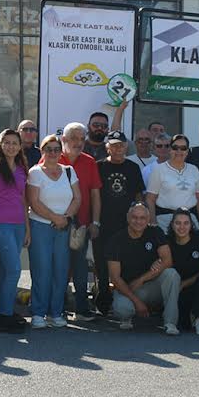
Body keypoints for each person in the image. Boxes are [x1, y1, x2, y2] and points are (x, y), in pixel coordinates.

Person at [0, 128, 32, 333]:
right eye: (7, 142)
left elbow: (23, 199)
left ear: (20, 147)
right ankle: (4, 316)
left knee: (6, 271)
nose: (11, 146)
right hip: (0, 224)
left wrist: (27, 228)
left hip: (18, 225)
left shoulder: (21, 168)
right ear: (0, 145)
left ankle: (6, 311)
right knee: (14, 269)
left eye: (15, 143)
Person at [27, 133, 81, 329]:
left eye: (56, 149)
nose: (52, 153)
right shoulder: (35, 172)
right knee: (42, 270)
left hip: (64, 227)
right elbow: (33, 202)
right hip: (40, 226)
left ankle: (56, 312)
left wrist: (66, 218)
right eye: (48, 149)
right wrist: (55, 218)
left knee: (60, 271)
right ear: (42, 151)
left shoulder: (69, 171)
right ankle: (38, 313)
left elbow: (77, 198)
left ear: (61, 151)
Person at [94, 131, 148, 314]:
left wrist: (139, 219)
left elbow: (139, 195)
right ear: (107, 147)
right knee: (102, 265)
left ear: (126, 147)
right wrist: (95, 222)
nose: (118, 149)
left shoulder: (133, 167)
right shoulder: (99, 166)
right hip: (104, 223)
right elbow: (94, 195)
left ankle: (124, 299)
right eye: (114, 145)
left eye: (121, 145)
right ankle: (103, 300)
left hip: (126, 225)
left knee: (125, 263)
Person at [106, 202, 179, 333]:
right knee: (123, 310)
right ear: (128, 218)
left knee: (171, 274)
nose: (138, 221)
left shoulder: (156, 232)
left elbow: (168, 261)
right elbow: (115, 278)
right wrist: (137, 302)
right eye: (134, 217)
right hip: (128, 289)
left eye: (142, 218)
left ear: (148, 219)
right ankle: (127, 318)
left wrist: (142, 279)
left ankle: (170, 323)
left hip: (150, 286)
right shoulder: (116, 240)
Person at [60, 122, 103, 317]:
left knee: (80, 268)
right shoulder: (52, 157)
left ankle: (82, 309)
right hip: (57, 224)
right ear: (64, 139)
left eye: (81, 139)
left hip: (82, 225)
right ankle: (58, 308)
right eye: (73, 138)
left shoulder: (89, 162)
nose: (78, 143)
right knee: (59, 267)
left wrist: (95, 222)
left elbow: (95, 195)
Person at [146, 133, 199, 233]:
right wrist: (153, 224)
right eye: (175, 147)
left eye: (183, 148)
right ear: (170, 149)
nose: (179, 151)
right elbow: (150, 199)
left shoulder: (194, 170)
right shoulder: (159, 170)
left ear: (187, 151)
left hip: (189, 221)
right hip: (165, 221)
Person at [168, 210, 199, 335]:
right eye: (178, 223)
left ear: (191, 225)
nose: (182, 227)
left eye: (186, 223)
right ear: (172, 225)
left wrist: (183, 284)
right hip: (176, 291)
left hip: (196, 289)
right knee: (184, 325)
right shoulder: (167, 243)